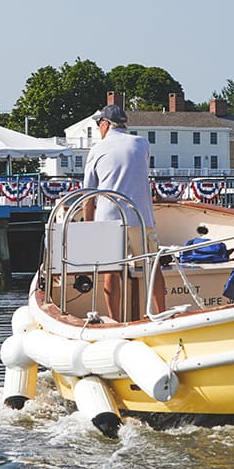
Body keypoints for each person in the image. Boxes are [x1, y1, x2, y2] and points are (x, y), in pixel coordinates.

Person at [82, 103, 166, 318]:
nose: (99, 128)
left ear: (106, 124)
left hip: (109, 218)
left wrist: (88, 228)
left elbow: (88, 195)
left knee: (111, 271)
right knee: (152, 266)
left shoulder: (97, 150)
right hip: (141, 215)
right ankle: (161, 313)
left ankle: (116, 319)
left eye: (99, 123)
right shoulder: (142, 143)